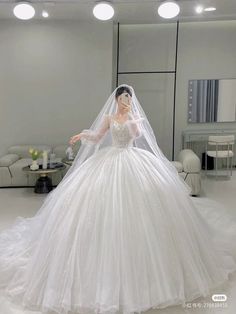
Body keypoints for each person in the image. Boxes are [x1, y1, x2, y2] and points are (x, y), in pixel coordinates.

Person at [0, 84, 236, 314]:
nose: (125, 101)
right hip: (110, 160)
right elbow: (97, 136)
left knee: (145, 209)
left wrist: (133, 120)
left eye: (128, 98)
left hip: (133, 160)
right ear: (116, 100)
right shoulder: (110, 117)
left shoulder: (133, 117)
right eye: (122, 98)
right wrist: (84, 134)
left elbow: (138, 136)